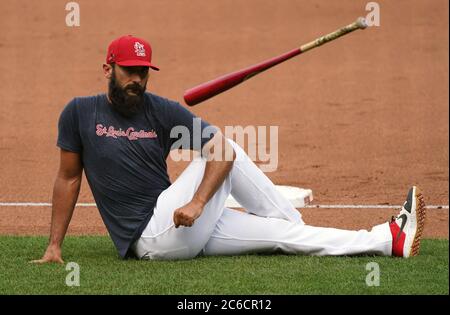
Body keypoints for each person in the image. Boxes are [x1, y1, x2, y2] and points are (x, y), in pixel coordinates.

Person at [32, 35, 426, 264]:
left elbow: (220, 154)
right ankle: (290, 217)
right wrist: (54, 246)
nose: (137, 79)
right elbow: (68, 177)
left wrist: (199, 203)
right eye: (129, 70)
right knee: (227, 145)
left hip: (182, 225)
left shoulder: (161, 110)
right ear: (108, 69)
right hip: (149, 236)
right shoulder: (80, 113)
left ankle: (386, 239)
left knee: (282, 235)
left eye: (143, 72)